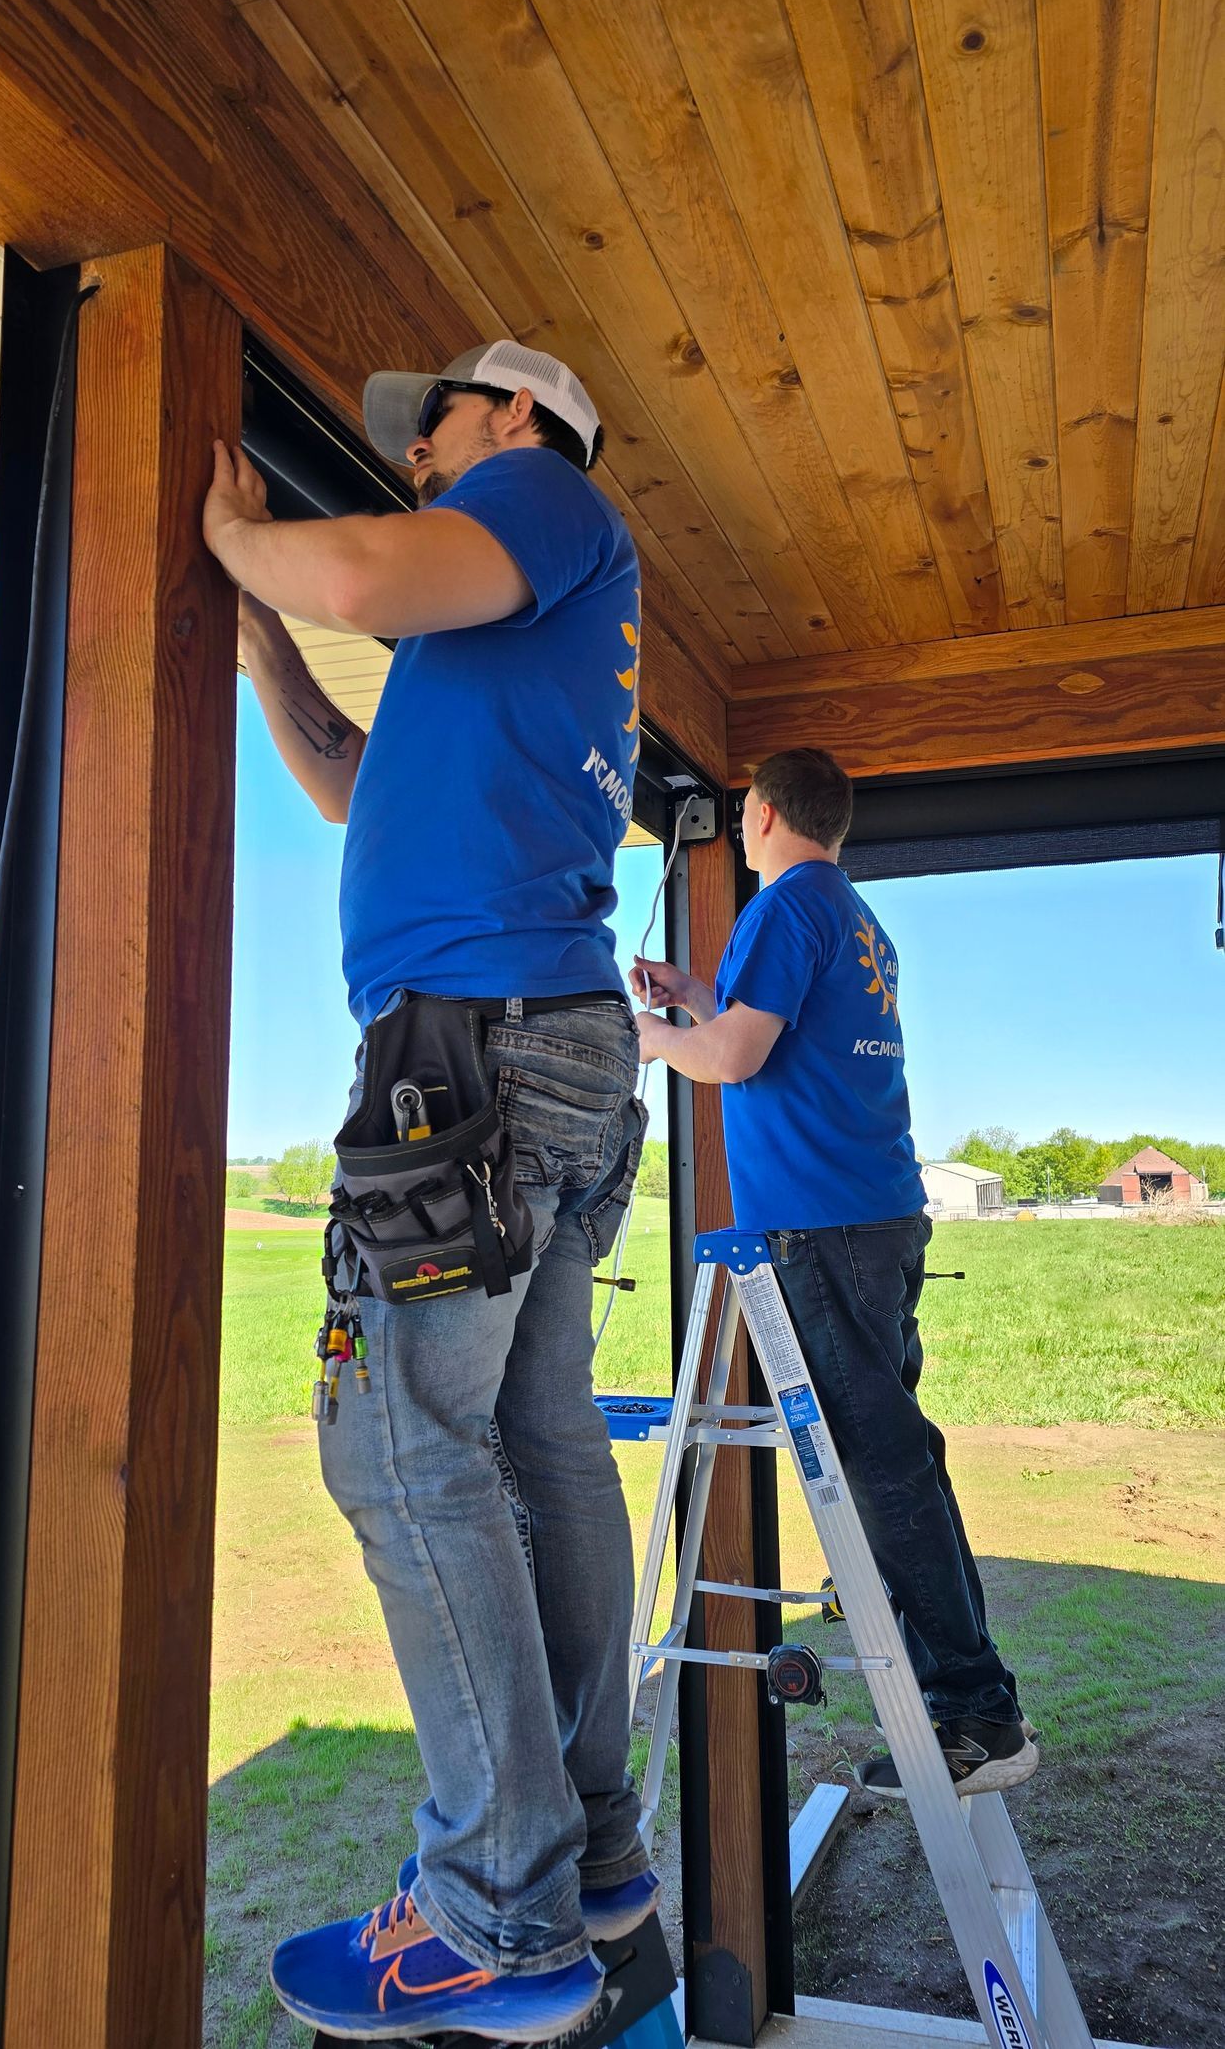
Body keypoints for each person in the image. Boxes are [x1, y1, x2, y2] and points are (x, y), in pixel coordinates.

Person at [202, 341, 656, 2041]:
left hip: (467, 1058)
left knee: (395, 1445)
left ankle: (492, 1913)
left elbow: (340, 566)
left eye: (437, 428)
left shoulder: (541, 499)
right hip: (537, 1049)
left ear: (522, 420)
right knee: (531, 1449)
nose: (418, 461)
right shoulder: (506, 650)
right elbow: (349, 780)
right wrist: (262, 649)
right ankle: (589, 1856)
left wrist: (243, 542)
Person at [630, 746, 1038, 1799]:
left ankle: (974, 1711)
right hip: (875, 1217)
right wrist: (692, 991)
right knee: (894, 1456)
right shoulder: (849, 915)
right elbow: (758, 1021)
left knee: (883, 1465)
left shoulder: (778, 907)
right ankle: (964, 1698)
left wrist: (641, 1031)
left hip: (818, 1227)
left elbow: (730, 1056)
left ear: (759, 812)